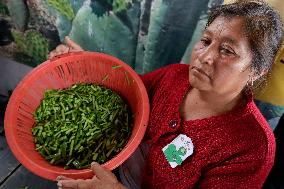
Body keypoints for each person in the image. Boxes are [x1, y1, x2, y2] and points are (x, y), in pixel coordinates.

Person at [49, 0, 283, 188]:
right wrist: (85, 65)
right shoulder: (173, 77)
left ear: (256, 70)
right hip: (110, 172)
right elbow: (128, 91)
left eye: (227, 50)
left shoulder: (252, 148)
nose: (205, 56)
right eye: (206, 41)